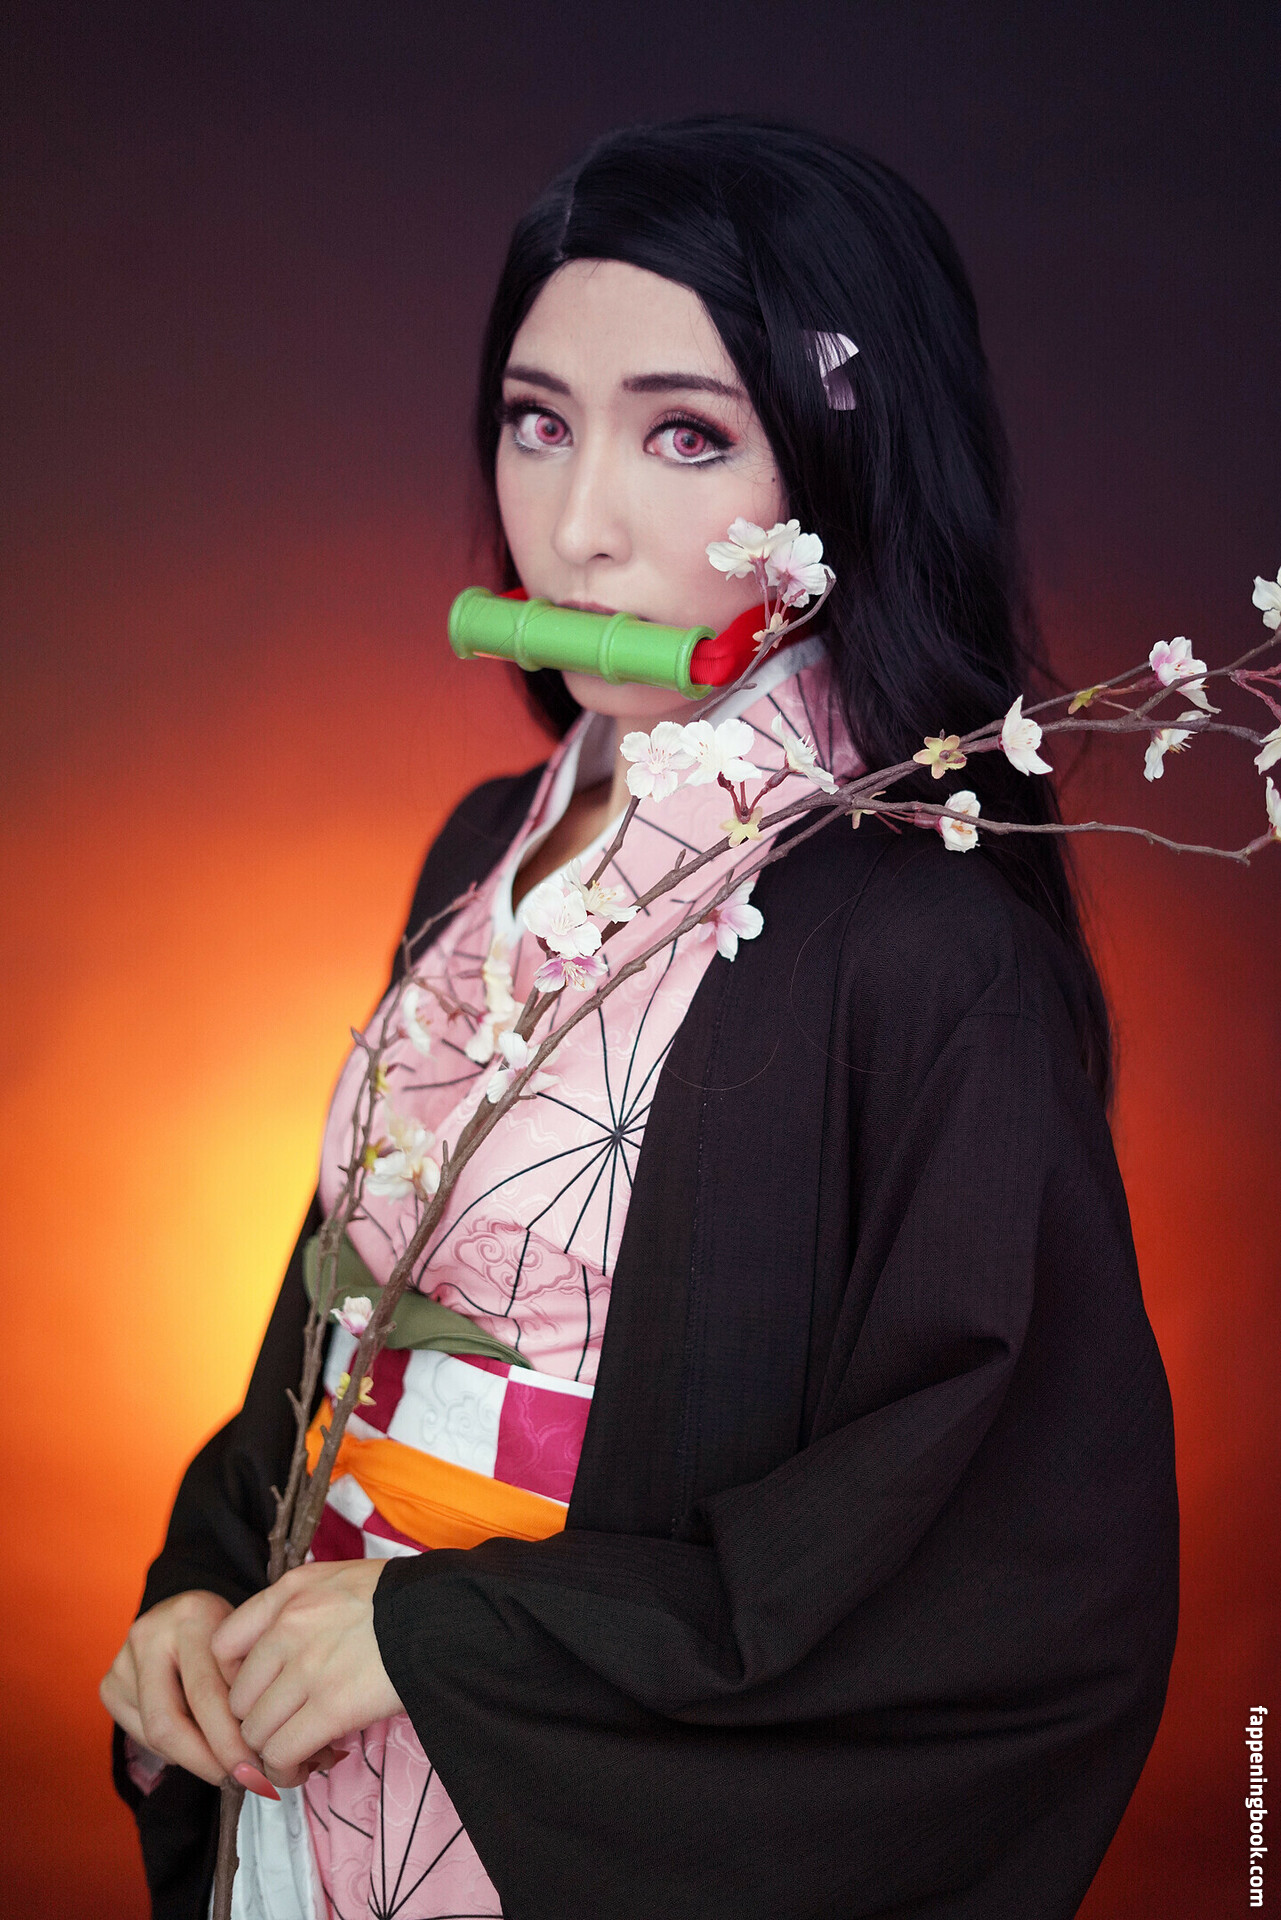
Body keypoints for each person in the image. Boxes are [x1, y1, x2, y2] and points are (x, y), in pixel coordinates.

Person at [102, 116, 1178, 1920]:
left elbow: (993, 1569)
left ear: (846, 469)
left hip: (549, 1812)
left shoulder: (924, 949)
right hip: (296, 1769)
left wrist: (446, 1635)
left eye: (686, 435)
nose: (579, 525)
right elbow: (334, 1323)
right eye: (538, 422)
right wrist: (199, 1599)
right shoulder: (479, 850)